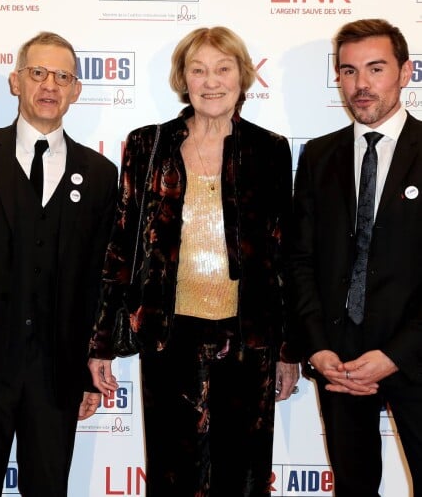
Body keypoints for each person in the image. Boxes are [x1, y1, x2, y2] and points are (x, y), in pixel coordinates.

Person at [89, 26, 300, 497]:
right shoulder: (148, 145)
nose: (211, 81)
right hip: (169, 337)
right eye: (198, 69)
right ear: (183, 79)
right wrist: (101, 340)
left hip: (250, 339)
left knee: (242, 477)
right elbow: (122, 246)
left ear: (242, 77)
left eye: (223, 69)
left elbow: (284, 254)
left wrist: (288, 351)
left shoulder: (270, 149)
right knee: (172, 474)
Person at [0, 31, 118, 497]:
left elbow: (99, 281)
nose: (50, 85)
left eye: (63, 76)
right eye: (38, 72)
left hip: (57, 376)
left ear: (77, 90)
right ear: (15, 81)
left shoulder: (101, 175)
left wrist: (89, 366)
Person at [290, 18, 422, 496]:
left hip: (416, 356)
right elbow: (300, 260)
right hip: (338, 364)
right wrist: (318, 348)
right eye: (348, 71)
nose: (361, 85)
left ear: (406, 72)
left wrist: (395, 355)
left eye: (376, 68)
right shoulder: (318, 156)